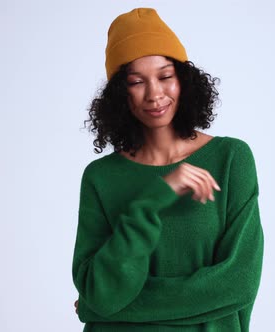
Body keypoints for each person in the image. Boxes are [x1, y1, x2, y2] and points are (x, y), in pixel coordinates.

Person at [72, 7, 264, 332]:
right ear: (121, 92)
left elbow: (238, 284)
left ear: (183, 80)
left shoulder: (231, 159)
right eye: (136, 82)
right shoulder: (101, 178)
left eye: (165, 76)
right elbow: (101, 292)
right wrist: (155, 197)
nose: (154, 94)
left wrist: (101, 308)